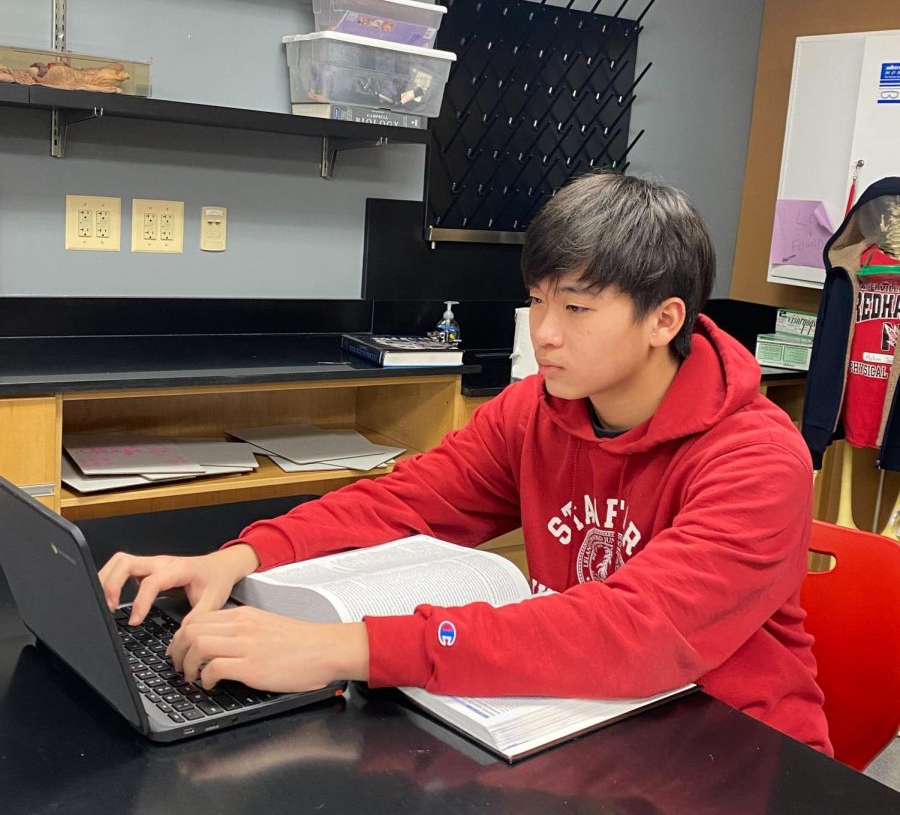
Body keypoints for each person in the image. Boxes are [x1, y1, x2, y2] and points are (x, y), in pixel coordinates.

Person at [100, 173, 830, 753]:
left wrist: (347, 648)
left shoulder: (756, 459)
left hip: (734, 760)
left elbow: (636, 630)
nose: (544, 334)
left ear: (664, 319)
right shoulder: (539, 409)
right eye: (537, 301)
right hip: (588, 726)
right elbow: (405, 501)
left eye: (576, 309)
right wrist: (244, 555)